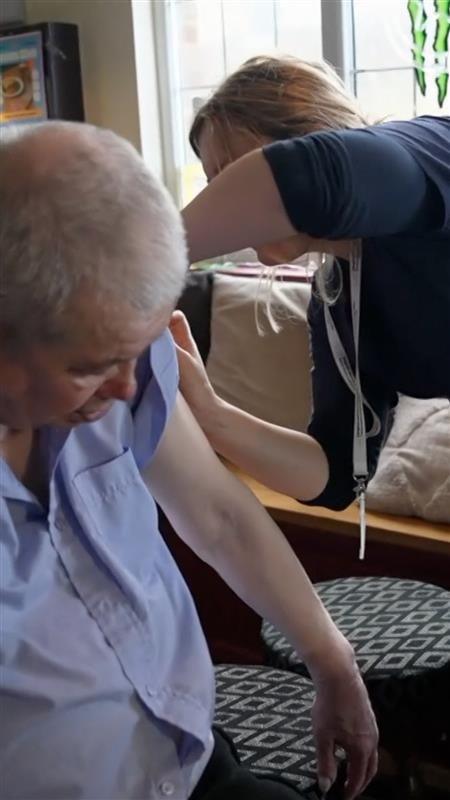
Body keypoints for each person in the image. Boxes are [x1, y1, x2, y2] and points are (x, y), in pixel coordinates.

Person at [0, 121, 377, 800]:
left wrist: (331, 658)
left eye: (136, 354)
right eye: (93, 368)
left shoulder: (122, 365)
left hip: (187, 758)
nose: (127, 387)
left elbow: (218, 515)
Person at [174, 56, 450, 517]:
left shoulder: (427, 153)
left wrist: (128, 267)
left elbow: (316, 176)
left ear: (319, 133)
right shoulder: (341, 296)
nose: (229, 208)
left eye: (235, 175)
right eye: (212, 184)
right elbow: (338, 474)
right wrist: (210, 414)